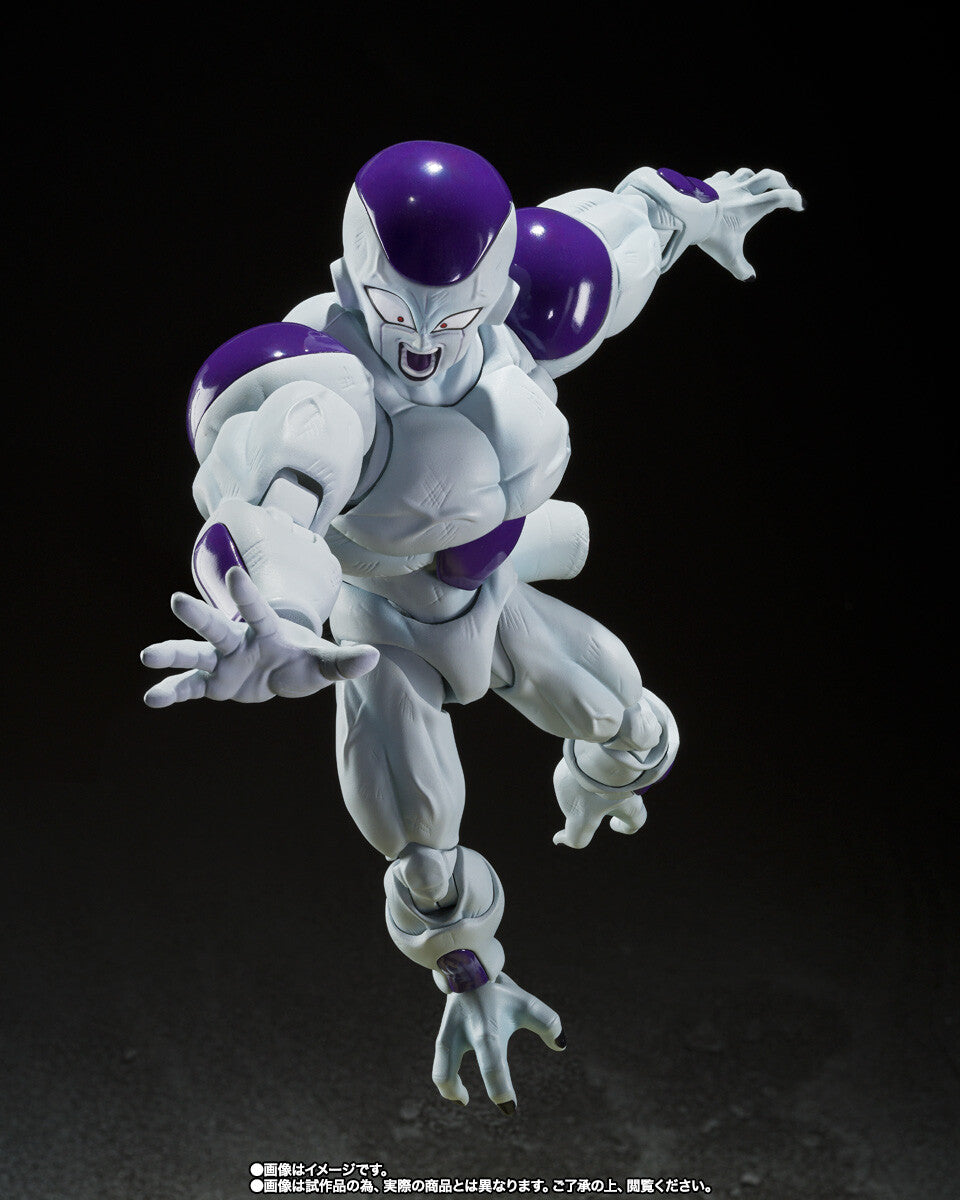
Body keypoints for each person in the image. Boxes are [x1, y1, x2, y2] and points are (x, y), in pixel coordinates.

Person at [142, 141, 802, 1112]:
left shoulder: (530, 309)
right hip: (383, 634)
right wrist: (274, 612)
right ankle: (473, 979)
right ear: (352, 278)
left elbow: (635, 224)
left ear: (494, 288)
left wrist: (697, 207)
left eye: (451, 313)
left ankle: (598, 783)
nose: (422, 337)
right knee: (425, 856)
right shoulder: (323, 382)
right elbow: (281, 493)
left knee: (634, 732)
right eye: (395, 305)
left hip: (495, 585)